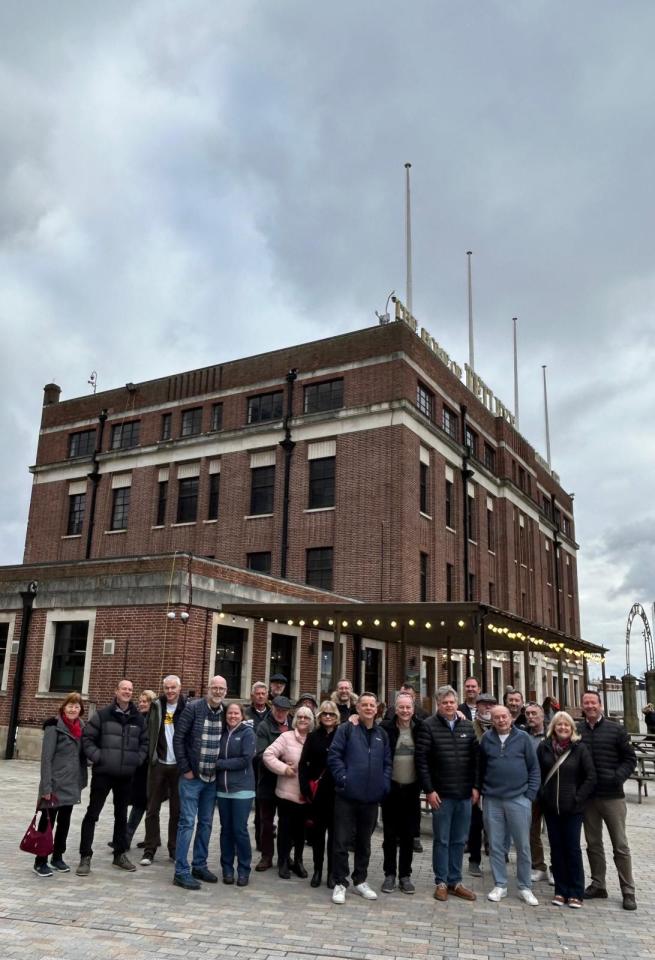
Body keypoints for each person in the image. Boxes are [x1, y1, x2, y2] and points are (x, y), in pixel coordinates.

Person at [76, 679, 147, 876]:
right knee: (93, 814)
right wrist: (99, 758)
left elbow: (145, 743)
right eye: (124, 688)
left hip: (125, 775)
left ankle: (120, 854)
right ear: (116, 691)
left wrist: (136, 760)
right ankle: (85, 856)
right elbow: (87, 739)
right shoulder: (102, 715)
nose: (127, 692)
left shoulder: (138, 719)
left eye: (130, 689)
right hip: (103, 774)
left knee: (121, 816)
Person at [416, 685, 478, 903]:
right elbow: (422, 761)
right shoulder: (428, 726)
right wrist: (429, 790)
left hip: (464, 794)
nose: (449, 705)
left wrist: (475, 787)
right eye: (444, 703)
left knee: (459, 840)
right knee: (442, 839)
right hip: (441, 795)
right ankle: (441, 881)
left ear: (456, 702)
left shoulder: (468, 727)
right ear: (438, 704)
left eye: (452, 702)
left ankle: (456, 881)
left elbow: (475, 760)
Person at [328, 692, 391, 904]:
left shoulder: (382, 733)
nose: (368, 708)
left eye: (372, 705)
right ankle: (340, 882)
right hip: (347, 795)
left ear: (376, 708)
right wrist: (343, 778)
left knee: (364, 842)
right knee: (341, 841)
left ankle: (360, 879)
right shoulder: (346, 729)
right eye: (364, 705)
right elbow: (334, 755)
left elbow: (387, 763)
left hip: (371, 798)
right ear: (357, 708)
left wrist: (383, 784)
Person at [577, 690, 637, 910]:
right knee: (593, 843)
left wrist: (617, 777)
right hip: (589, 797)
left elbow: (630, 759)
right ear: (582, 706)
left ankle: (628, 890)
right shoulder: (578, 730)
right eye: (586, 703)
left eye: (593, 702)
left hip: (612, 796)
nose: (590, 706)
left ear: (600, 705)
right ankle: (598, 883)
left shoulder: (616, 730)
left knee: (620, 845)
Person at [478, 704, 540, 905]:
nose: (501, 720)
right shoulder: (487, 739)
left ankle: (524, 886)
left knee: (522, 845)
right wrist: (481, 790)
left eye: (504, 716)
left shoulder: (523, 738)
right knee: (495, 844)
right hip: (493, 799)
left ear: (511, 718)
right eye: (497, 718)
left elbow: (534, 768)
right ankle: (500, 884)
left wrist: (529, 795)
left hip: (518, 798)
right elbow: (481, 767)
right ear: (492, 720)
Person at [172, 675, 227, 890]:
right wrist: (185, 769)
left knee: (206, 823)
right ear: (208, 689)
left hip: (212, 779)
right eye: (214, 687)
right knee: (187, 822)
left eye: (221, 688)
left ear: (225, 691)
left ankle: (199, 865)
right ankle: (181, 871)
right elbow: (179, 738)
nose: (218, 691)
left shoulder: (226, 711)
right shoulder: (193, 708)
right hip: (192, 778)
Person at [537, 711, 596, 908]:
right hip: (551, 807)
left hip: (573, 808)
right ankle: (560, 891)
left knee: (572, 849)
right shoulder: (544, 747)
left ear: (572, 729)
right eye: (559, 725)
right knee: (556, 848)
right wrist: (543, 796)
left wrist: (577, 798)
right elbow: (537, 773)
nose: (563, 728)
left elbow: (590, 777)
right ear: (553, 727)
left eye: (567, 725)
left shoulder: (580, 749)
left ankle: (576, 891)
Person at [34, 692, 87, 877]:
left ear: (81, 710)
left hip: (71, 784)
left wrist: (83, 778)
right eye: (70, 705)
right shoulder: (54, 727)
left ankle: (57, 857)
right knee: (47, 823)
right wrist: (46, 788)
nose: (73, 709)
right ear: (64, 707)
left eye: (77, 706)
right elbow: (46, 759)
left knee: (64, 822)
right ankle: (40, 860)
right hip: (54, 785)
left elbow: (81, 757)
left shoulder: (81, 727)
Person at [140, 675, 187, 866]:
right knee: (152, 809)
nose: (170, 691)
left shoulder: (187, 707)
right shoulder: (156, 705)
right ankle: (149, 849)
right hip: (158, 762)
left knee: (177, 810)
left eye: (173, 687)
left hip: (178, 765)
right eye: (167, 688)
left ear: (179, 688)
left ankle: (174, 849)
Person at [263, 705, 314, 879]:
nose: (302, 720)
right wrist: (284, 769)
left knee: (301, 831)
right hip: (286, 793)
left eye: (306, 718)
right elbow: (268, 755)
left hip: (305, 794)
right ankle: (283, 861)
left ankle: (298, 861)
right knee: (285, 829)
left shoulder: (313, 739)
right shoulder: (286, 737)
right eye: (299, 716)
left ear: (311, 721)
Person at [379, 691, 422, 894]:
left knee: (408, 834)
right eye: (401, 707)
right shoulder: (385, 728)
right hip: (391, 788)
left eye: (408, 707)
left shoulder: (421, 728)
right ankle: (389, 874)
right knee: (389, 834)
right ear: (395, 709)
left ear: (413, 709)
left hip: (412, 788)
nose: (405, 711)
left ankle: (405, 875)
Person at [298, 700, 339, 888]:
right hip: (317, 793)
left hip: (337, 793)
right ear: (320, 716)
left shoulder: (342, 735)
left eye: (331, 714)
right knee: (317, 835)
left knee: (334, 837)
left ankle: (332, 873)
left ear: (336, 716)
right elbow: (303, 763)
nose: (328, 717)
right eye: (324, 714)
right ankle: (317, 871)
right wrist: (305, 787)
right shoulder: (313, 736)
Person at [216, 701, 256, 886]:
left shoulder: (247, 733)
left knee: (239, 830)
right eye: (230, 713)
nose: (232, 716)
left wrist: (220, 764)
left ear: (242, 715)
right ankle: (227, 868)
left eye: (236, 714)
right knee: (226, 830)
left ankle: (244, 869)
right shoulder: (221, 732)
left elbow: (245, 759)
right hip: (223, 790)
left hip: (242, 789)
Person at [254, 695, 292, 871]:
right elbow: (261, 755)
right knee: (266, 822)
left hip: (288, 783)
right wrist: (283, 763)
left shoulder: (292, 726)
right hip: (268, 781)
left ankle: (285, 856)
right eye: (277, 710)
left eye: (284, 711)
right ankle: (266, 856)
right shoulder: (264, 726)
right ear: (272, 709)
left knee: (286, 822)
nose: (280, 713)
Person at [119, 689, 156, 852]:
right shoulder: (138, 718)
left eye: (145, 701)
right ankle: (154, 837)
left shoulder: (153, 721)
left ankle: (125, 838)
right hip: (138, 766)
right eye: (140, 701)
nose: (141, 704)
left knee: (140, 802)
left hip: (149, 768)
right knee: (148, 804)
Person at [466, 692, 497, 877]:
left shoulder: (501, 728)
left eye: (491, 705)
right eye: (484, 704)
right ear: (477, 707)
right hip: (476, 783)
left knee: (495, 825)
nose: (488, 708)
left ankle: (497, 860)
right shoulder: (470, 727)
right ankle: (474, 860)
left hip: (495, 784)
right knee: (475, 824)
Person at [524, 702, 550, 883]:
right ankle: (539, 866)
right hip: (530, 791)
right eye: (528, 714)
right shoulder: (522, 736)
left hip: (551, 791)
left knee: (554, 832)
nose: (531, 717)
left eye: (534, 713)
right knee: (532, 831)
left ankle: (557, 868)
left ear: (543, 716)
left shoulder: (552, 735)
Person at [246, 680, 270, 852]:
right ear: (252, 695)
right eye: (257, 694)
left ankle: (263, 841)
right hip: (249, 765)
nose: (260, 696)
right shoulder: (246, 713)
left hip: (267, 765)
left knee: (263, 803)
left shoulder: (272, 714)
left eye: (263, 693)